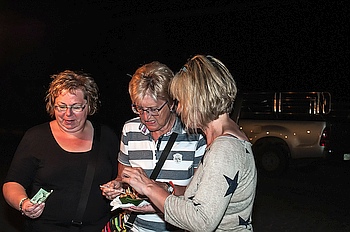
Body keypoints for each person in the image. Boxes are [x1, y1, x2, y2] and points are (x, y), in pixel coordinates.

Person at [120, 55, 258, 231]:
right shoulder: (223, 140)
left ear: (197, 100)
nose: (178, 108)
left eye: (180, 100)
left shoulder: (225, 148)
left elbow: (201, 221)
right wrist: (157, 204)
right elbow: (198, 203)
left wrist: (148, 187)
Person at [2, 70, 119, 231]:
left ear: (89, 105)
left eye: (76, 107)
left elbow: (121, 178)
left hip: (97, 227)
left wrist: (117, 186)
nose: (68, 114)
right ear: (52, 105)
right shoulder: (36, 137)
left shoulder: (107, 136)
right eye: (61, 106)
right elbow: (12, 184)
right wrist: (23, 203)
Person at [101, 61, 206, 231]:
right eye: (139, 109)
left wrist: (164, 191)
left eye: (153, 109)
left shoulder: (194, 136)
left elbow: (199, 195)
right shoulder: (130, 129)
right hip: (133, 226)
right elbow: (124, 178)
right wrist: (117, 186)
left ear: (172, 103)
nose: (145, 117)